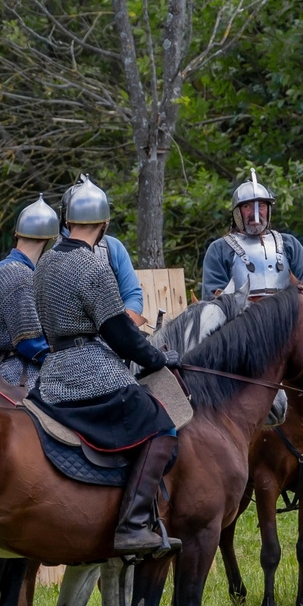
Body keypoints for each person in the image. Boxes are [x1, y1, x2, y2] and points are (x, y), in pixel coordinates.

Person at [33, 219, 184, 559]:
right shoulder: (93, 264)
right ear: (103, 224)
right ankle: (132, 526)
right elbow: (119, 332)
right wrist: (157, 358)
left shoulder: (46, 261)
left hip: (54, 374)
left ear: (66, 221)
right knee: (162, 426)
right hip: (93, 371)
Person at [0, 197, 58, 400]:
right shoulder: (20, 276)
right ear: (47, 242)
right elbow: (29, 341)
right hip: (19, 374)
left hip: (0, 368)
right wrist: (59, 361)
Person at [200, 170, 303, 299]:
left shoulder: (289, 244)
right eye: (247, 207)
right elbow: (214, 299)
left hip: (287, 316)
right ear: (237, 213)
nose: (255, 214)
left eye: (261, 206)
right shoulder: (220, 249)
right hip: (241, 317)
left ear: (268, 210)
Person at [63, 176, 146, 322]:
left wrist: (125, 322)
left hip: (113, 330)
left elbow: (132, 294)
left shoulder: (113, 248)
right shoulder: (52, 253)